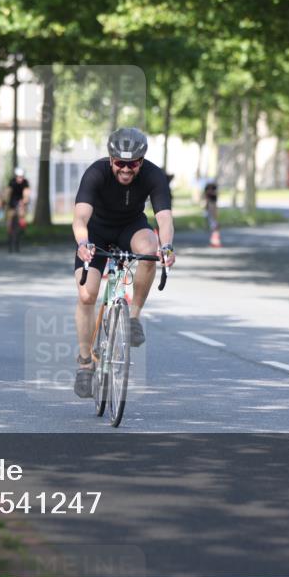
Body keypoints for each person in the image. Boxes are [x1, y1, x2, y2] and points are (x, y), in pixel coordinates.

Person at [72, 127, 175, 398]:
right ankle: (85, 361)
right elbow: (80, 217)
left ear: (141, 161)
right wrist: (83, 243)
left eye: (133, 164)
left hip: (131, 227)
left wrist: (166, 246)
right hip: (95, 233)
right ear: (111, 159)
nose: (126, 170)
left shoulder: (153, 175)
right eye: (120, 163)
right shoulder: (96, 173)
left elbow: (164, 218)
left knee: (150, 250)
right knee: (87, 295)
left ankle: (133, 317)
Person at [4, 167, 30, 252]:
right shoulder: (12, 182)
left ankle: (21, 230)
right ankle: (9, 239)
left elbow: (26, 193)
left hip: (20, 203)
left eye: (21, 177)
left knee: (21, 219)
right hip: (12, 203)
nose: (20, 179)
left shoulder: (25, 183)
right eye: (19, 177)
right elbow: (7, 192)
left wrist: (24, 201)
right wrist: (5, 201)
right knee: (9, 222)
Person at [203, 180, 220, 246]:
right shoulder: (208, 197)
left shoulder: (213, 198)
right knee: (211, 223)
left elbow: (214, 207)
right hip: (209, 209)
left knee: (213, 224)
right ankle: (214, 240)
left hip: (212, 210)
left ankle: (215, 240)